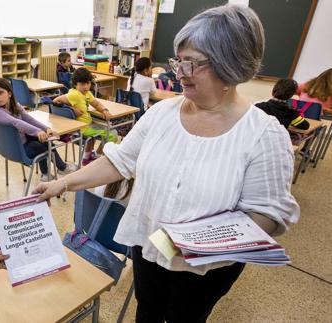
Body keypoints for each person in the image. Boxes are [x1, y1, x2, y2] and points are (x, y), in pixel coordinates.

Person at [35, 5, 299, 323]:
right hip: (151, 242)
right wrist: (63, 183)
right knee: (147, 310)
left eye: (193, 64)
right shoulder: (163, 114)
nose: (179, 72)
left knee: (184, 317)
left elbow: (268, 214)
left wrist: (205, 241)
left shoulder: (264, 135)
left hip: (205, 269)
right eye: (178, 61)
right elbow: (119, 163)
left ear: (230, 65)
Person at [0, 78, 77, 182]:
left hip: (12, 147)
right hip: (18, 150)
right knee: (44, 146)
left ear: (9, 94)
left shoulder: (14, 105)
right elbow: (17, 122)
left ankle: (46, 174)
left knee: (42, 141)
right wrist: (37, 131)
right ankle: (61, 168)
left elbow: (28, 119)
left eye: (0, 92)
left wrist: (46, 128)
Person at [53, 68, 117, 165]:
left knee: (96, 134)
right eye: (82, 84)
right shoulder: (74, 94)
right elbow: (55, 100)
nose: (86, 86)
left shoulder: (87, 93)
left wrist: (104, 110)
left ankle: (87, 158)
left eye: (88, 83)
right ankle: (97, 157)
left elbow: (96, 104)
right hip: (82, 128)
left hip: (86, 125)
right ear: (75, 84)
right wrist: (72, 109)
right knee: (113, 134)